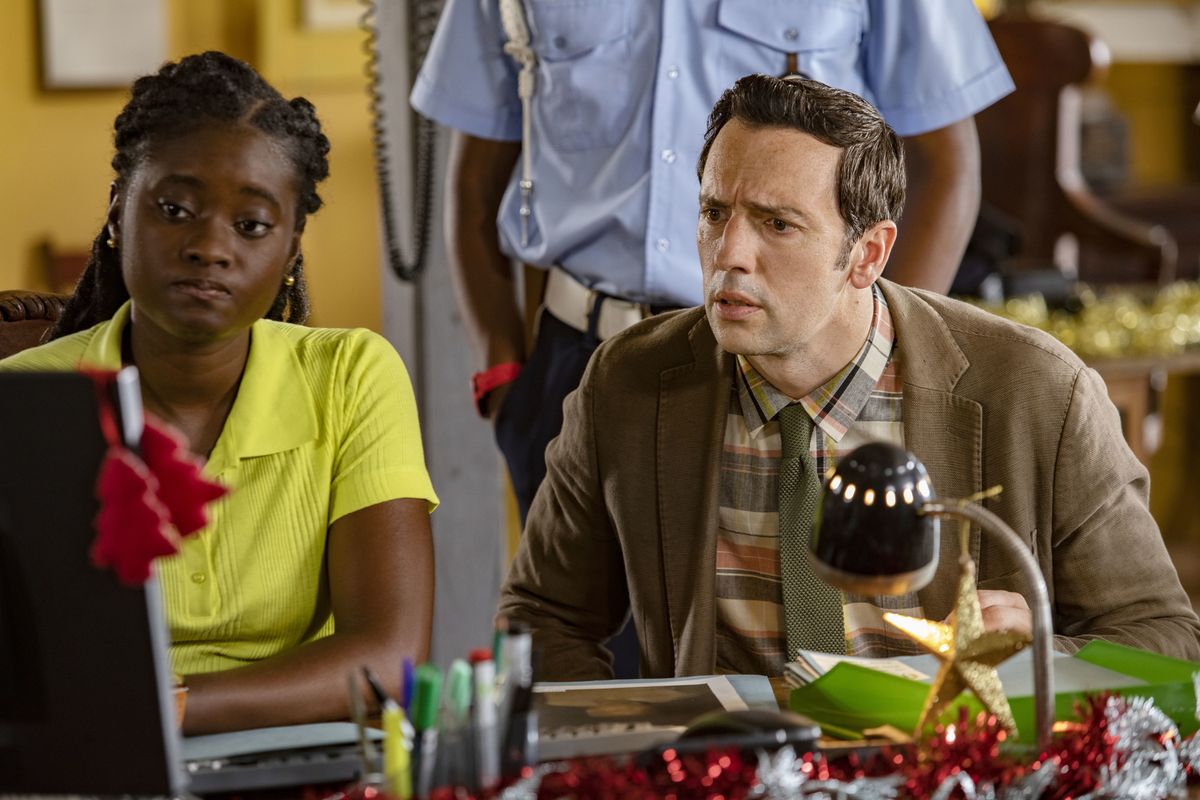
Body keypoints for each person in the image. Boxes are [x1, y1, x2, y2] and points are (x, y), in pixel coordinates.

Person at [497, 74, 1200, 681]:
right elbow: (543, 617)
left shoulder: (1040, 393)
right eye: (715, 213)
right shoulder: (628, 383)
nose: (728, 254)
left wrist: (1039, 652)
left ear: (868, 254)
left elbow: (1166, 643)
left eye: (777, 224)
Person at [411, 0, 1016, 521]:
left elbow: (946, 165)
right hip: (574, 367)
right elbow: (473, 183)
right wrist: (504, 378)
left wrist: (882, 368)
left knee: (799, 635)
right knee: (575, 640)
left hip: (797, 365)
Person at [0, 52, 439, 734]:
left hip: (293, 757)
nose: (210, 246)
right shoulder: (23, 400)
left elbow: (387, 660)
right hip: (87, 758)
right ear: (119, 212)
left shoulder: (353, 376)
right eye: (175, 209)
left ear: (292, 246)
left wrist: (164, 708)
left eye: (252, 225)